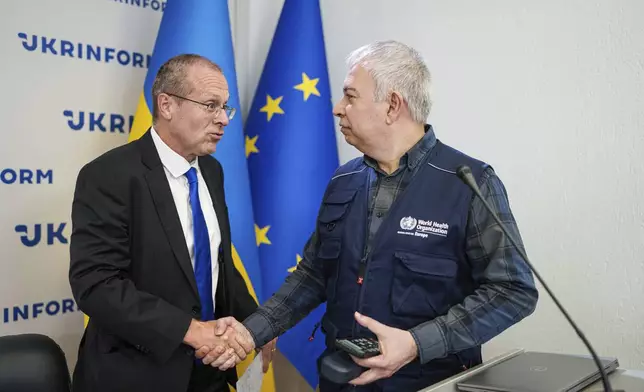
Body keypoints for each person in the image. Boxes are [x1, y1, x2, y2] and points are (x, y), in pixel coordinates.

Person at [211, 40, 540, 391]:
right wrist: (251, 331)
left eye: (350, 96)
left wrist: (416, 343)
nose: (338, 109)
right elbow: (313, 276)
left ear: (392, 105)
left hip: (429, 383)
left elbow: (512, 290)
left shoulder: (469, 183)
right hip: (340, 380)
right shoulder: (345, 180)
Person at [68, 54, 276, 392]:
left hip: (209, 371)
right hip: (137, 375)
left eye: (225, 107)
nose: (223, 119)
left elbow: (218, 265)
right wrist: (193, 331)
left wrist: (258, 325)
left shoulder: (212, 171)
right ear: (167, 105)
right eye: (211, 105)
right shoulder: (109, 175)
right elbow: (97, 285)